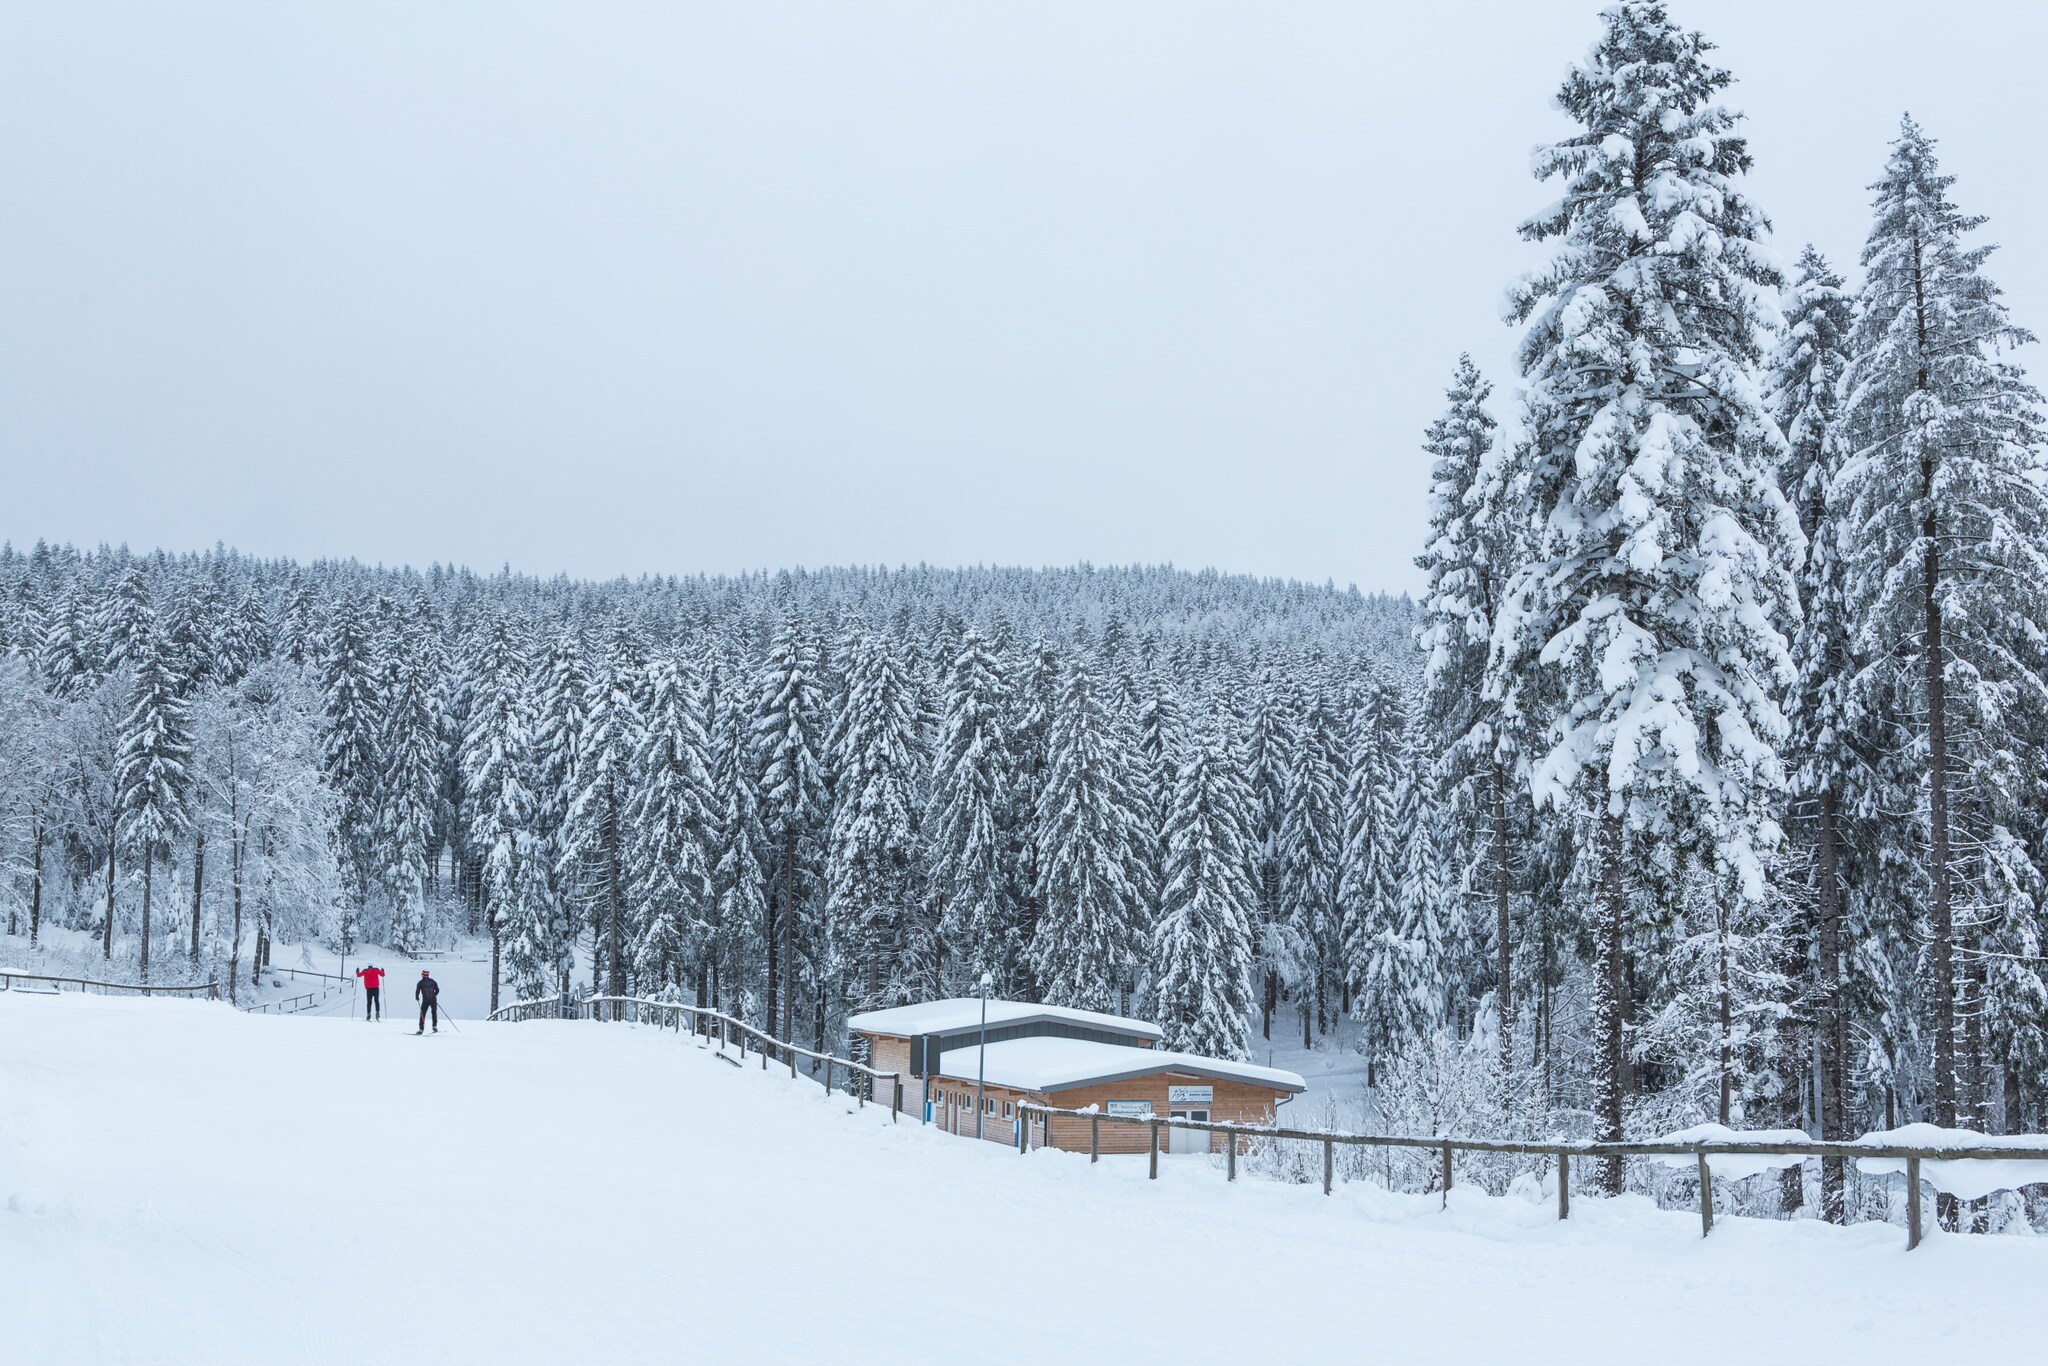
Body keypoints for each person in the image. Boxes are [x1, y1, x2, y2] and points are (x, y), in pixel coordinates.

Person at [415, 969, 441, 1034]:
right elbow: (437, 990)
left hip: (426, 1001)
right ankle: (434, 1026)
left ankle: (421, 1029)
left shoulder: (420, 983)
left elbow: (417, 991)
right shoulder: (432, 981)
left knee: (422, 1015)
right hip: (433, 1000)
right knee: (434, 1013)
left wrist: (417, 997)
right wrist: (434, 995)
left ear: (423, 975)